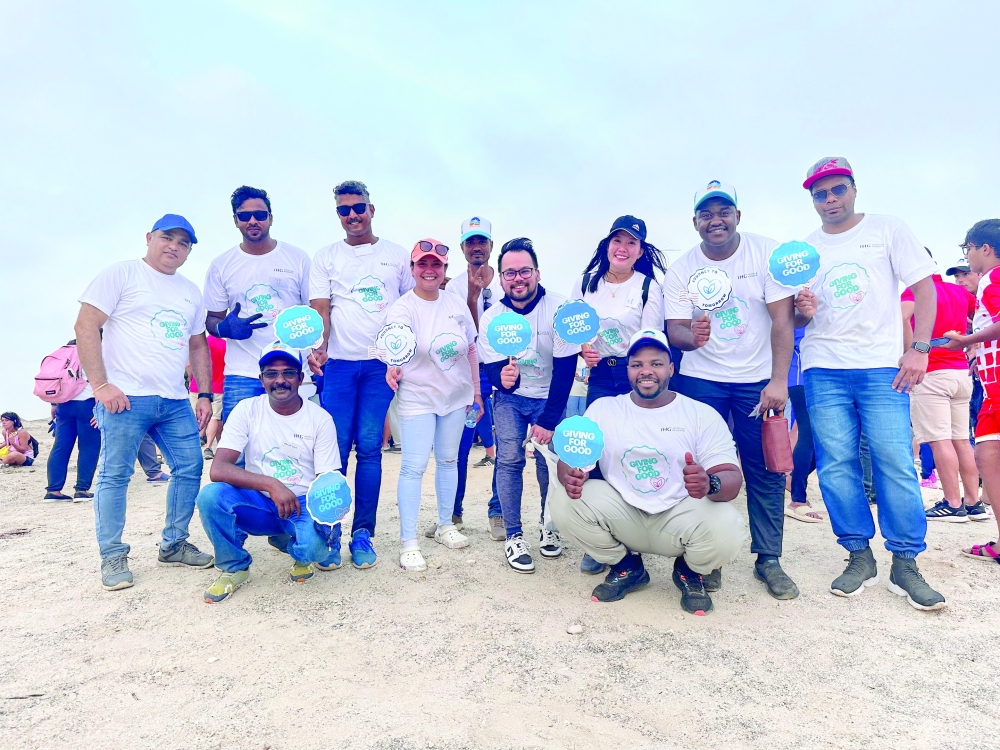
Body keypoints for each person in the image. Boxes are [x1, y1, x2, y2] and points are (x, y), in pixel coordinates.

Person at [794, 157, 945, 611]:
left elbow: (925, 288)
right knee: (837, 463)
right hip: (823, 366)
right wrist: (804, 307)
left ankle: (905, 561)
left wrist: (920, 348)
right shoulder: (806, 250)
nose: (830, 200)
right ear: (812, 200)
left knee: (895, 459)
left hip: (881, 365)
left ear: (854, 189)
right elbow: (803, 314)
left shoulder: (887, 229)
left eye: (837, 189)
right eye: (820, 194)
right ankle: (858, 554)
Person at [548, 329, 748, 615]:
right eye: (637, 364)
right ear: (628, 370)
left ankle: (690, 572)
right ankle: (627, 567)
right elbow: (569, 462)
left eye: (655, 363)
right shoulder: (604, 409)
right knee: (564, 502)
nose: (646, 371)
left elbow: (731, 477)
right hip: (625, 515)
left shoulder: (700, 414)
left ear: (671, 368)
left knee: (729, 526)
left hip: (678, 517)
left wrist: (709, 482)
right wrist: (569, 474)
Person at [664, 180, 798, 600]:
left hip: (756, 381)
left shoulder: (764, 254)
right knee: (699, 468)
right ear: (695, 222)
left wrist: (778, 381)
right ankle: (705, 557)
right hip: (701, 380)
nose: (715, 220)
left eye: (723, 212)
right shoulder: (682, 267)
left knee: (764, 469)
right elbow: (675, 331)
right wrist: (694, 337)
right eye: (706, 214)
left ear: (738, 216)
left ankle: (769, 559)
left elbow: (782, 320)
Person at [75, 214, 215, 591]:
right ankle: (113, 555)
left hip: (173, 400)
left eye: (184, 243)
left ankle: (173, 544)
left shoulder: (189, 291)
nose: (174, 246)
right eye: (167, 238)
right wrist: (101, 385)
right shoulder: (122, 275)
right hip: (124, 398)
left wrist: (204, 393)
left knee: (189, 466)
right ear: (150, 237)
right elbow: (85, 325)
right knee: (115, 475)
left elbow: (198, 343)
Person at [308, 180, 415, 569]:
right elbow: (321, 308)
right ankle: (331, 531)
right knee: (333, 451)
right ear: (337, 214)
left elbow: (407, 308)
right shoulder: (325, 257)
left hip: (379, 368)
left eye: (358, 207)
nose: (352, 215)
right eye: (343, 209)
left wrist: (400, 358)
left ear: (372, 209)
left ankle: (362, 533)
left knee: (370, 449)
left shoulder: (396, 255)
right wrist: (317, 348)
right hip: (338, 365)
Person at [196, 342, 342, 602]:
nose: (280, 380)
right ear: (261, 378)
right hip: (261, 500)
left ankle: (290, 543)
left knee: (317, 550)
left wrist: (328, 520)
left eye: (288, 372)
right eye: (271, 373)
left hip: (303, 503)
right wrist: (273, 485)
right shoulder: (247, 409)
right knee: (210, 497)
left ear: (300, 377)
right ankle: (235, 567)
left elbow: (327, 481)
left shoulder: (320, 419)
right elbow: (219, 469)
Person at [478, 238, 581, 573]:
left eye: (524, 271)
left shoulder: (560, 308)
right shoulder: (493, 316)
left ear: (537, 272)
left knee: (548, 464)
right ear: (501, 278)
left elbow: (566, 369)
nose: (517, 279)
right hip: (510, 400)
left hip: (549, 394)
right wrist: (501, 378)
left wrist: (550, 419)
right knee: (508, 461)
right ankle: (513, 535)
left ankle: (548, 525)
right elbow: (491, 368)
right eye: (510, 273)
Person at [384, 239, 483, 571]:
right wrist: (392, 367)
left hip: (456, 397)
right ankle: (408, 540)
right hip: (418, 397)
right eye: (422, 264)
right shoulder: (402, 308)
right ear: (412, 269)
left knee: (449, 460)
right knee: (413, 466)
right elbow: (393, 347)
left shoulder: (455, 304)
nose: (429, 270)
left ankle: (444, 524)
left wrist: (477, 394)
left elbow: (471, 350)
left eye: (436, 265)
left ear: (444, 270)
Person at [204, 186, 311, 422]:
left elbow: (314, 311)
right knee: (238, 452)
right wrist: (225, 328)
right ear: (235, 220)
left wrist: (315, 355)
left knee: (297, 447)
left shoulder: (298, 258)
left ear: (270, 218)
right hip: (243, 373)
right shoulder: (222, 265)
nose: (253, 221)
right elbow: (212, 318)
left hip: (292, 369)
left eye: (260, 215)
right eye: (244, 216)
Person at [900, 254, 986, 521]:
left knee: (939, 440)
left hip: (932, 368)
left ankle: (952, 502)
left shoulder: (914, 290)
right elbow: (979, 319)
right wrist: (972, 344)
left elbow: (903, 318)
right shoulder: (957, 291)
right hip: (960, 371)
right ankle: (973, 502)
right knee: (961, 439)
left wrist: (909, 353)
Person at [438, 216, 504, 541]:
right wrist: (471, 298)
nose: (476, 247)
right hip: (467, 376)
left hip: (503, 373)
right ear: (463, 247)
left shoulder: (506, 280)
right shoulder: (451, 287)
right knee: (460, 446)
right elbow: (464, 336)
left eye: (482, 241)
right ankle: (454, 512)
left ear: (491, 245)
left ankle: (499, 512)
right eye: (470, 242)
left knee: (504, 445)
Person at [944, 219, 1000, 561]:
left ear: (985, 249)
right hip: (992, 387)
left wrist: (967, 339)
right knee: (987, 457)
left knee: (989, 457)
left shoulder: (993, 278)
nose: (968, 256)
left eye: (968, 248)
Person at [572, 215, 667, 407]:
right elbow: (572, 330)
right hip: (600, 375)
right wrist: (583, 350)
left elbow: (650, 341)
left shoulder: (648, 287)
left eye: (631, 243)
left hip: (635, 374)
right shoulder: (584, 283)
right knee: (599, 433)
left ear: (640, 252)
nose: (622, 248)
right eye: (617, 240)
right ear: (607, 245)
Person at [44, 341, 101, 501]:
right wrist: (100, 410)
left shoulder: (64, 353)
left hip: (63, 404)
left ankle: (53, 491)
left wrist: (54, 403)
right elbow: (102, 382)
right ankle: (81, 490)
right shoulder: (95, 350)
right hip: (87, 404)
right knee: (89, 447)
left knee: (60, 446)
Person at [188, 334, 227, 459]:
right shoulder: (225, 345)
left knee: (196, 415)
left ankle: (196, 440)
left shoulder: (200, 343)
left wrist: (191, 379)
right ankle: (208, 447)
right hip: (218, 387)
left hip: (197, 387)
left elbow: (189, 365)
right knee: (214, 416)